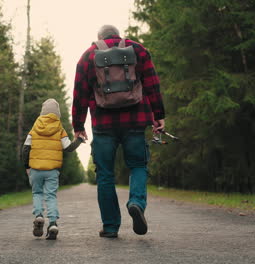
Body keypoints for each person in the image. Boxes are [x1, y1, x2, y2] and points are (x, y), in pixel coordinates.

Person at [72, 25, 165, 238]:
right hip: (135, 120)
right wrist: (158, 115)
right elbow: (152, 84)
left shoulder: (88, 56)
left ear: (99, 38)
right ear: (118, 35)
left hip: (103, 125)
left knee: (105, 174)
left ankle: (111, 227)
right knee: (138, 165)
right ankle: (136, 203)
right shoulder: (138, 50)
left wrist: (79, 126)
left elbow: (79, 94)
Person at [22, 98, 84, 240]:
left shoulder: (35, 127)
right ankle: (53, 224)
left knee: (37, 193)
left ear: (42, 112)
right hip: (52, 171)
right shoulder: (59, 128)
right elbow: (68, 147)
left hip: (36, 169)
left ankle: (38, 216)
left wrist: (27, 166)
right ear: (57, 114)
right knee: (51, 196)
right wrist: (79, 140)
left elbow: (25, 149)